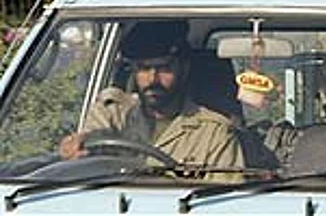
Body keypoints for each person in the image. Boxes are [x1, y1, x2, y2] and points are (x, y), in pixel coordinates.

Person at [59, 20, 245, 182]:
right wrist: (79, 146)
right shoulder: (113, 115)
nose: (152, 80)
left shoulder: (213, 134)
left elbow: (225, 201)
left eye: (164, 68)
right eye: (143, 68)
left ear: (184, 68)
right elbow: (92, 141)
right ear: (133, 70)